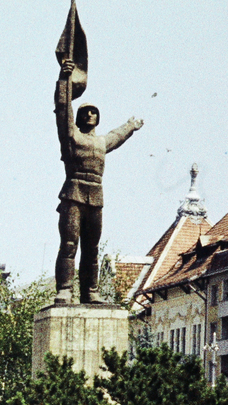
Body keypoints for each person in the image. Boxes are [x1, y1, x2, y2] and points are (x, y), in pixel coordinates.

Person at [53, 57, 142, 304]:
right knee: (69, 244)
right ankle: (65, 289)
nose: (90, 114)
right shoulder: (71, 137)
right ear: (79, 117)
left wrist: (130, 126)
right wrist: (63, 81)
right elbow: (62, 111)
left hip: (96, 196)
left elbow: (117, 135)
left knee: (91, 249)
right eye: (85, 111)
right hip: (74, 194)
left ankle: (90, 292)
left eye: (94, 112)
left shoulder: (101, 143)